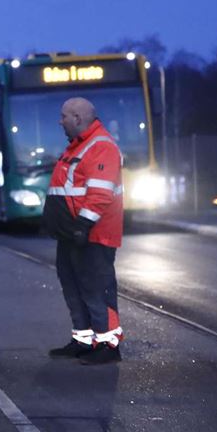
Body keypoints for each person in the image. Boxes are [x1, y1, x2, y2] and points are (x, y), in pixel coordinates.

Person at [43, 97, 125, 365]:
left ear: (77, 118)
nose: (60, 121)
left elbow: (99, 194)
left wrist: (83, 226)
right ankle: (84, 338)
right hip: (73, 234)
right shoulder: (80, 146)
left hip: (92, 235)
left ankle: (108, 343)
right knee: (73, 285)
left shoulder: (101, 147)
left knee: (97, 287)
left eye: (63, 116)